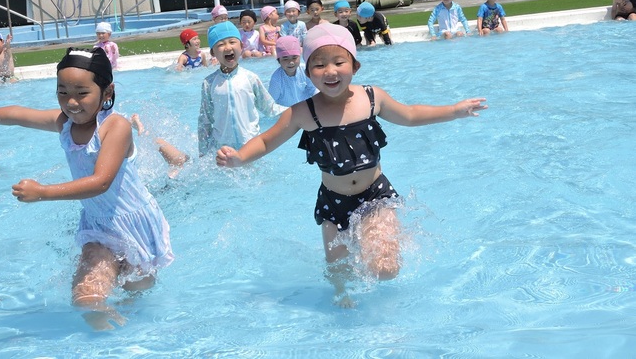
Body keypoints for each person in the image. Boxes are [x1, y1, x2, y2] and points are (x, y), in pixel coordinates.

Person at [216, 24, 487, 307]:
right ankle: (343, 296)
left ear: (354, 66)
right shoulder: (303, 112)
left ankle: (385, 236)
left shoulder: (371, 98)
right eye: (319, 65)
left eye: (338, 62)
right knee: (340, 275)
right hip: (333, 204)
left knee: (384, 270)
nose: (330, 71)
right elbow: (266, 141)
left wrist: (454, 111)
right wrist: (239, 158)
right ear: (308, 73)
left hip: (374, 196)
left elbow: (410, 114)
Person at [0, 48, 173, 330]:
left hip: (135, 223)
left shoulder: (115, 127)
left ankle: (136, 343)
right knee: (87, 299)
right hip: (98, 227)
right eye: (62, 92)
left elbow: (101, 181)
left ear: (107, 92)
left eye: (82, 92)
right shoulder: (65, 123)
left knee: (138, 294)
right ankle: (106, 344)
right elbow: (19, 115)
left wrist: (43, 192)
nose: (71, 102)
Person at [198, 21, 285, 156]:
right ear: (212, 52)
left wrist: (297, 112)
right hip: (223, 151)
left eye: (232, 42)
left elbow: (270, 108)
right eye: (220, 44)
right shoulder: (209, 83)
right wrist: (203, 152)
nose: (227, 47)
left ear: (241, 45)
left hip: (251, 148)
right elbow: (205, 120)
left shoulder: (250, 78)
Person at [267, 36, 317, 107]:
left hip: (305, 108)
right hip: (286, 111)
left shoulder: (305, 70)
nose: (291, 62)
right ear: (279, 60)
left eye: (294, 58)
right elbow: (271, 102)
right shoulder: (276, 79)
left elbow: (313, 89)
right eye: (285, 59)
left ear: (300, 56)